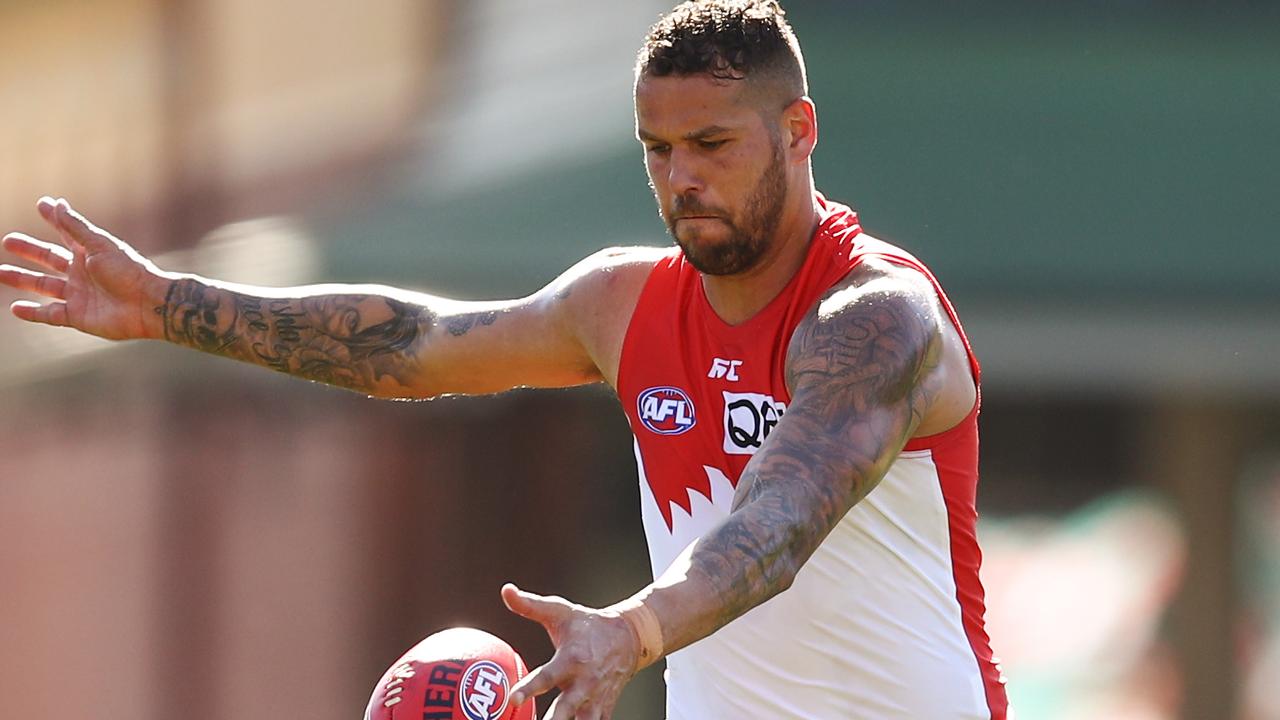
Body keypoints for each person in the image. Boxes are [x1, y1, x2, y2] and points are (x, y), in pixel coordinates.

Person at [0, 1, 1009, 718]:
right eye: (658, 150)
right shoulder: (622, 305)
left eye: (713, 143)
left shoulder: (876, 317)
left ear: (798, 132)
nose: (682, 179)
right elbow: (415, 344)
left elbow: (780, 523)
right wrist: (172, 305)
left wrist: (633, 631)